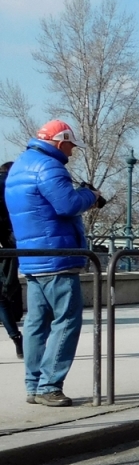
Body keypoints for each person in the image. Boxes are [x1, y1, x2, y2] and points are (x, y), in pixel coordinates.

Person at [6, 120, 100, 406]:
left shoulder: (20, 166)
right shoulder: (49, 167)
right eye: (70, 146)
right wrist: (91, 196)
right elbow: (67, 205)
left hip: (33, 258)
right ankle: (50, 386)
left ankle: (33, 386)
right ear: (60, 142)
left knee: (37, 323)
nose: (71, 152)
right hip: (57, 256)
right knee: (67, 320)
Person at [0, 161, 24, 357]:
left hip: (6, 242)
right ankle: (16, 338)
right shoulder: (10, 186)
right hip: (7, 243)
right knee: (4, 294)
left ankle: (16, 337)